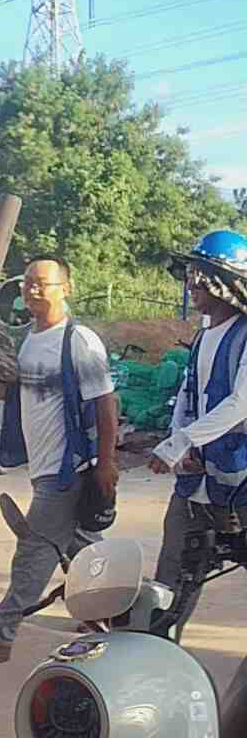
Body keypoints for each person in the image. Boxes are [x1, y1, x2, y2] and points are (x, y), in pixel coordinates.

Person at [0, 255, 118, 664]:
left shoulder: (78, 341)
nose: (31, 289)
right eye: (26, 282)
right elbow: (17, 395)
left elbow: (105, 402)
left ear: (67, 288)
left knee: (35, 549)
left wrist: (106, 463)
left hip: (68, 468)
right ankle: (111, 614)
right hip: (42, 464)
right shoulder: (28, 340)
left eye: (41, 283)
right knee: (83, 549)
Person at [149, 228, 247, 640]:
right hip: (197, 484)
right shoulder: (203, 336)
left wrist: (183, 442)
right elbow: (188, 395)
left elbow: (241, 403)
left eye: (199, 275)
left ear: (225, 283)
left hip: (240, 485)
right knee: (170, 579)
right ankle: (156, 647)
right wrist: (179, 443)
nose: (190, 283)